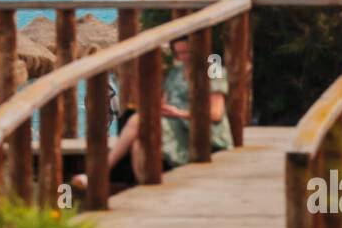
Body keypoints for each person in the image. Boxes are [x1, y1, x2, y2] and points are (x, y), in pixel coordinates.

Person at [74, 38, 232, 190]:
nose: (184, 57)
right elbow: (164, 100)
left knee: (136, 121)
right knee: (139, 144)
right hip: (173, 126)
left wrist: (179, 113)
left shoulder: (214, 68)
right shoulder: (177, 72)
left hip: (203, 132)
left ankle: (97, 174)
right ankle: (144, 190)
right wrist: (160, 107)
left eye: (187, 52)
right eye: (179, 53)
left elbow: (215, 113)